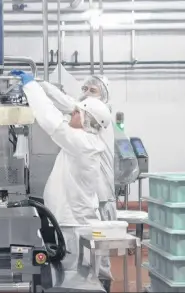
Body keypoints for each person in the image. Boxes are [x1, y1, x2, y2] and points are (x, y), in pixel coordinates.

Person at [39, 76, 116, 286]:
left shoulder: (99, 117)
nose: (87, 92)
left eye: (93, 90)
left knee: (99, 254)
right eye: (85, 88)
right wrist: (44, 86)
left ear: (103, 96)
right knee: (90, 253)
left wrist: (39, 87)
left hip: (103, 195)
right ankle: (95, 282)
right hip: (89, 194)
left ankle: (102, 285)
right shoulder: (88, 114)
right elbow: (71, 104)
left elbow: (67, 107)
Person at [11, 70, 112, 226]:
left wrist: (31, 86)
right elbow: (66, 103)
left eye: (77, 113)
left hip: (74, 222)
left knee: (74, 251)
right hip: (69, 219)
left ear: (86, 120)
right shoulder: (86, 138)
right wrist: (40, 84)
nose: (71, 114)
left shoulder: (83, 143)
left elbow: (50, 118)